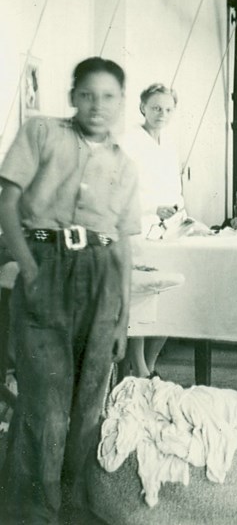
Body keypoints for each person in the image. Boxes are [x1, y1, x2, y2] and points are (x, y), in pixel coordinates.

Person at [0, 57, 140, 523]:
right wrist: (30, 268)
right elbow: (9, 203)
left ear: (121, 102)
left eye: (107, 96)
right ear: (72, 96)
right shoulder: (41, 133)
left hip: (100, 277)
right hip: (46, 263)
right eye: (86, 94)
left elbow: (122, 245)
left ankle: (70, 501)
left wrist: (122, 318)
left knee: (86, 405)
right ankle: (31, 510)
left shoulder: (125, 164)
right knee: (46, 401)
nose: (96, 105)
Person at [119, 83, 183, 379]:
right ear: (143, 107)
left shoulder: (170, 143)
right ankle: (138, 366)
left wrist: (181, 214)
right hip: (137, 229)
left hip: (167, 231)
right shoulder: (128, 141)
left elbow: (175, 188)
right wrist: (152, 207)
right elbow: (120, 189)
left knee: (170, 297)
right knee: (142, 299)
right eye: (156, 108)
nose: (162, 114)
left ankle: (151, 361)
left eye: (168, 109)